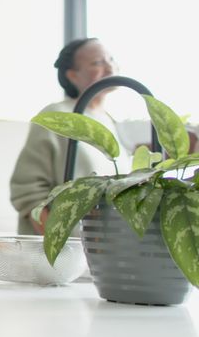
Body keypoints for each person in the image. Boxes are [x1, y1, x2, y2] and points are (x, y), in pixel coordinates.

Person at [10, 38, 126, 235]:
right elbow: (29, 193)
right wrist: (60, 247)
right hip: (66, 256)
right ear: (72, 75)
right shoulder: (58, 116)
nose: (109, 67)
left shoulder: (109, 121)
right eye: (97, 62)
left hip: (104, 253)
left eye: (111, 59)